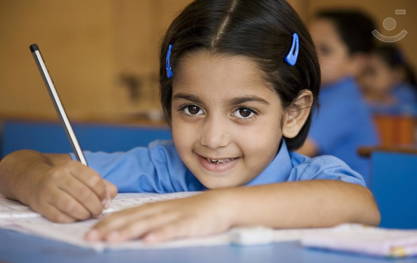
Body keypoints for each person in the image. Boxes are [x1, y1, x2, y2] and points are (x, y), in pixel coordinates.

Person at [0, 0, 380, 244]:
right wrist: (38, 180)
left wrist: (216, 208)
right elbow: (16, 164)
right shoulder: (164, 167)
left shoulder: (310, 176)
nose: (213, 139)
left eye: (244, 111)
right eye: (192, 109)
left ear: (292, 114)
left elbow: (359, 204)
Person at [297, 9, 379, 185]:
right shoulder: (322, 93)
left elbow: (298, 151)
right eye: (308, 45)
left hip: (348, 202)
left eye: (325, 50)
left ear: (356, 63)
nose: (310, 55)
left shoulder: (344, 102)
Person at [359, 44, 417, 116]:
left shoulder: (405, 93)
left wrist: (382, 103)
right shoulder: (360, 94)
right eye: (363, 72)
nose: (365, 79)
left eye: (372, 72)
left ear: (397, 74)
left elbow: (410, 113)